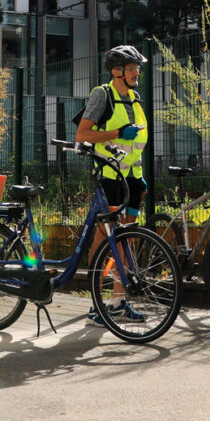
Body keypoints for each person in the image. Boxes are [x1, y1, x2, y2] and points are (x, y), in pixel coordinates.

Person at [74, 45, 149, 327]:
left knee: (126, 241)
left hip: (132, 178)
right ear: (117, 72)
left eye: (137, 68)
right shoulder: (101, 95)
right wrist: (117, 133)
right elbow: (83, 134)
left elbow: (136, 144)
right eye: (131, 68)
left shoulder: (135, 98)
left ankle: (118, 303)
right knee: (104, 238)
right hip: (109, 177)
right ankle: (96, 305)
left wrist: (139, 177)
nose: (136, 73)